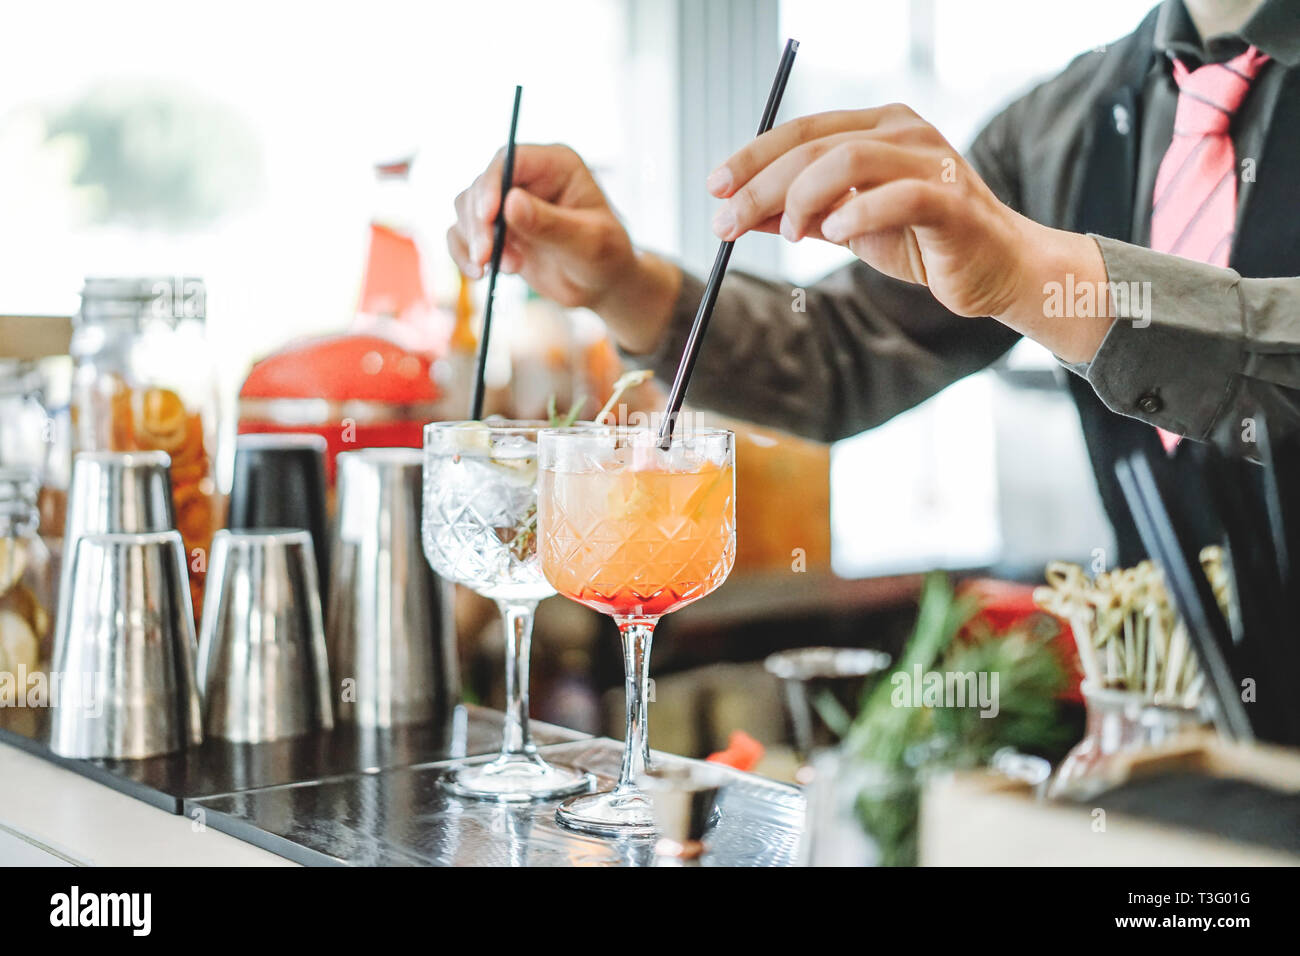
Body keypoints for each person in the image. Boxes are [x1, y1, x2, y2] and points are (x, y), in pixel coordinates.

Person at [448, 0, 1300, 565]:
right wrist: (621, 283)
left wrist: (1031, 272)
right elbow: (846, 352)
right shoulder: (1063, 124)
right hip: (1198, 756)